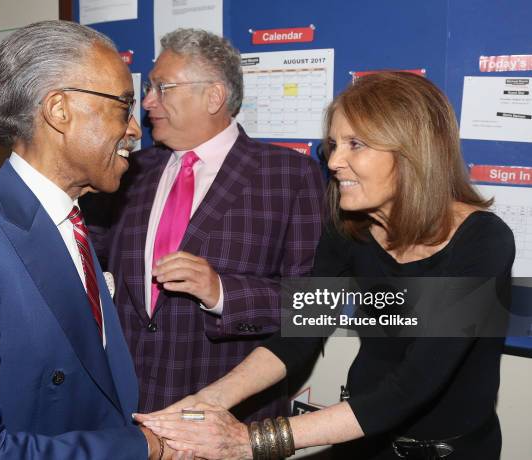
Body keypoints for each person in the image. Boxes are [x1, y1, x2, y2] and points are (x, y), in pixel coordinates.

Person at [0, 28, 325, 421]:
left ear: (214, 96)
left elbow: (318, 307)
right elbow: (72, 249)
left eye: (162, 88)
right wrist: (3, 209)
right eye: (142, 91)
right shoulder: (127, 170)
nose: (147, 104)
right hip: (126, 411)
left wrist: (222, 292)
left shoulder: (289, 175)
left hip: (229, 415)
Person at [135, 72, 516, 460]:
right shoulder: (350, 229)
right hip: (363, 441)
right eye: (334, 145)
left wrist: (250, 442)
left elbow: (414, 384)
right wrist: (204, 403)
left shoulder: (483, 241)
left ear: (413, 152)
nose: (334, 161)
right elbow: (298, 334)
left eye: (356, 145)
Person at [0, 20, 173, 459]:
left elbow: (324, 295)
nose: (136, 126)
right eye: (124, 105)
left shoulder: (67, 217)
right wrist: (135, 448)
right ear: (59, 110)